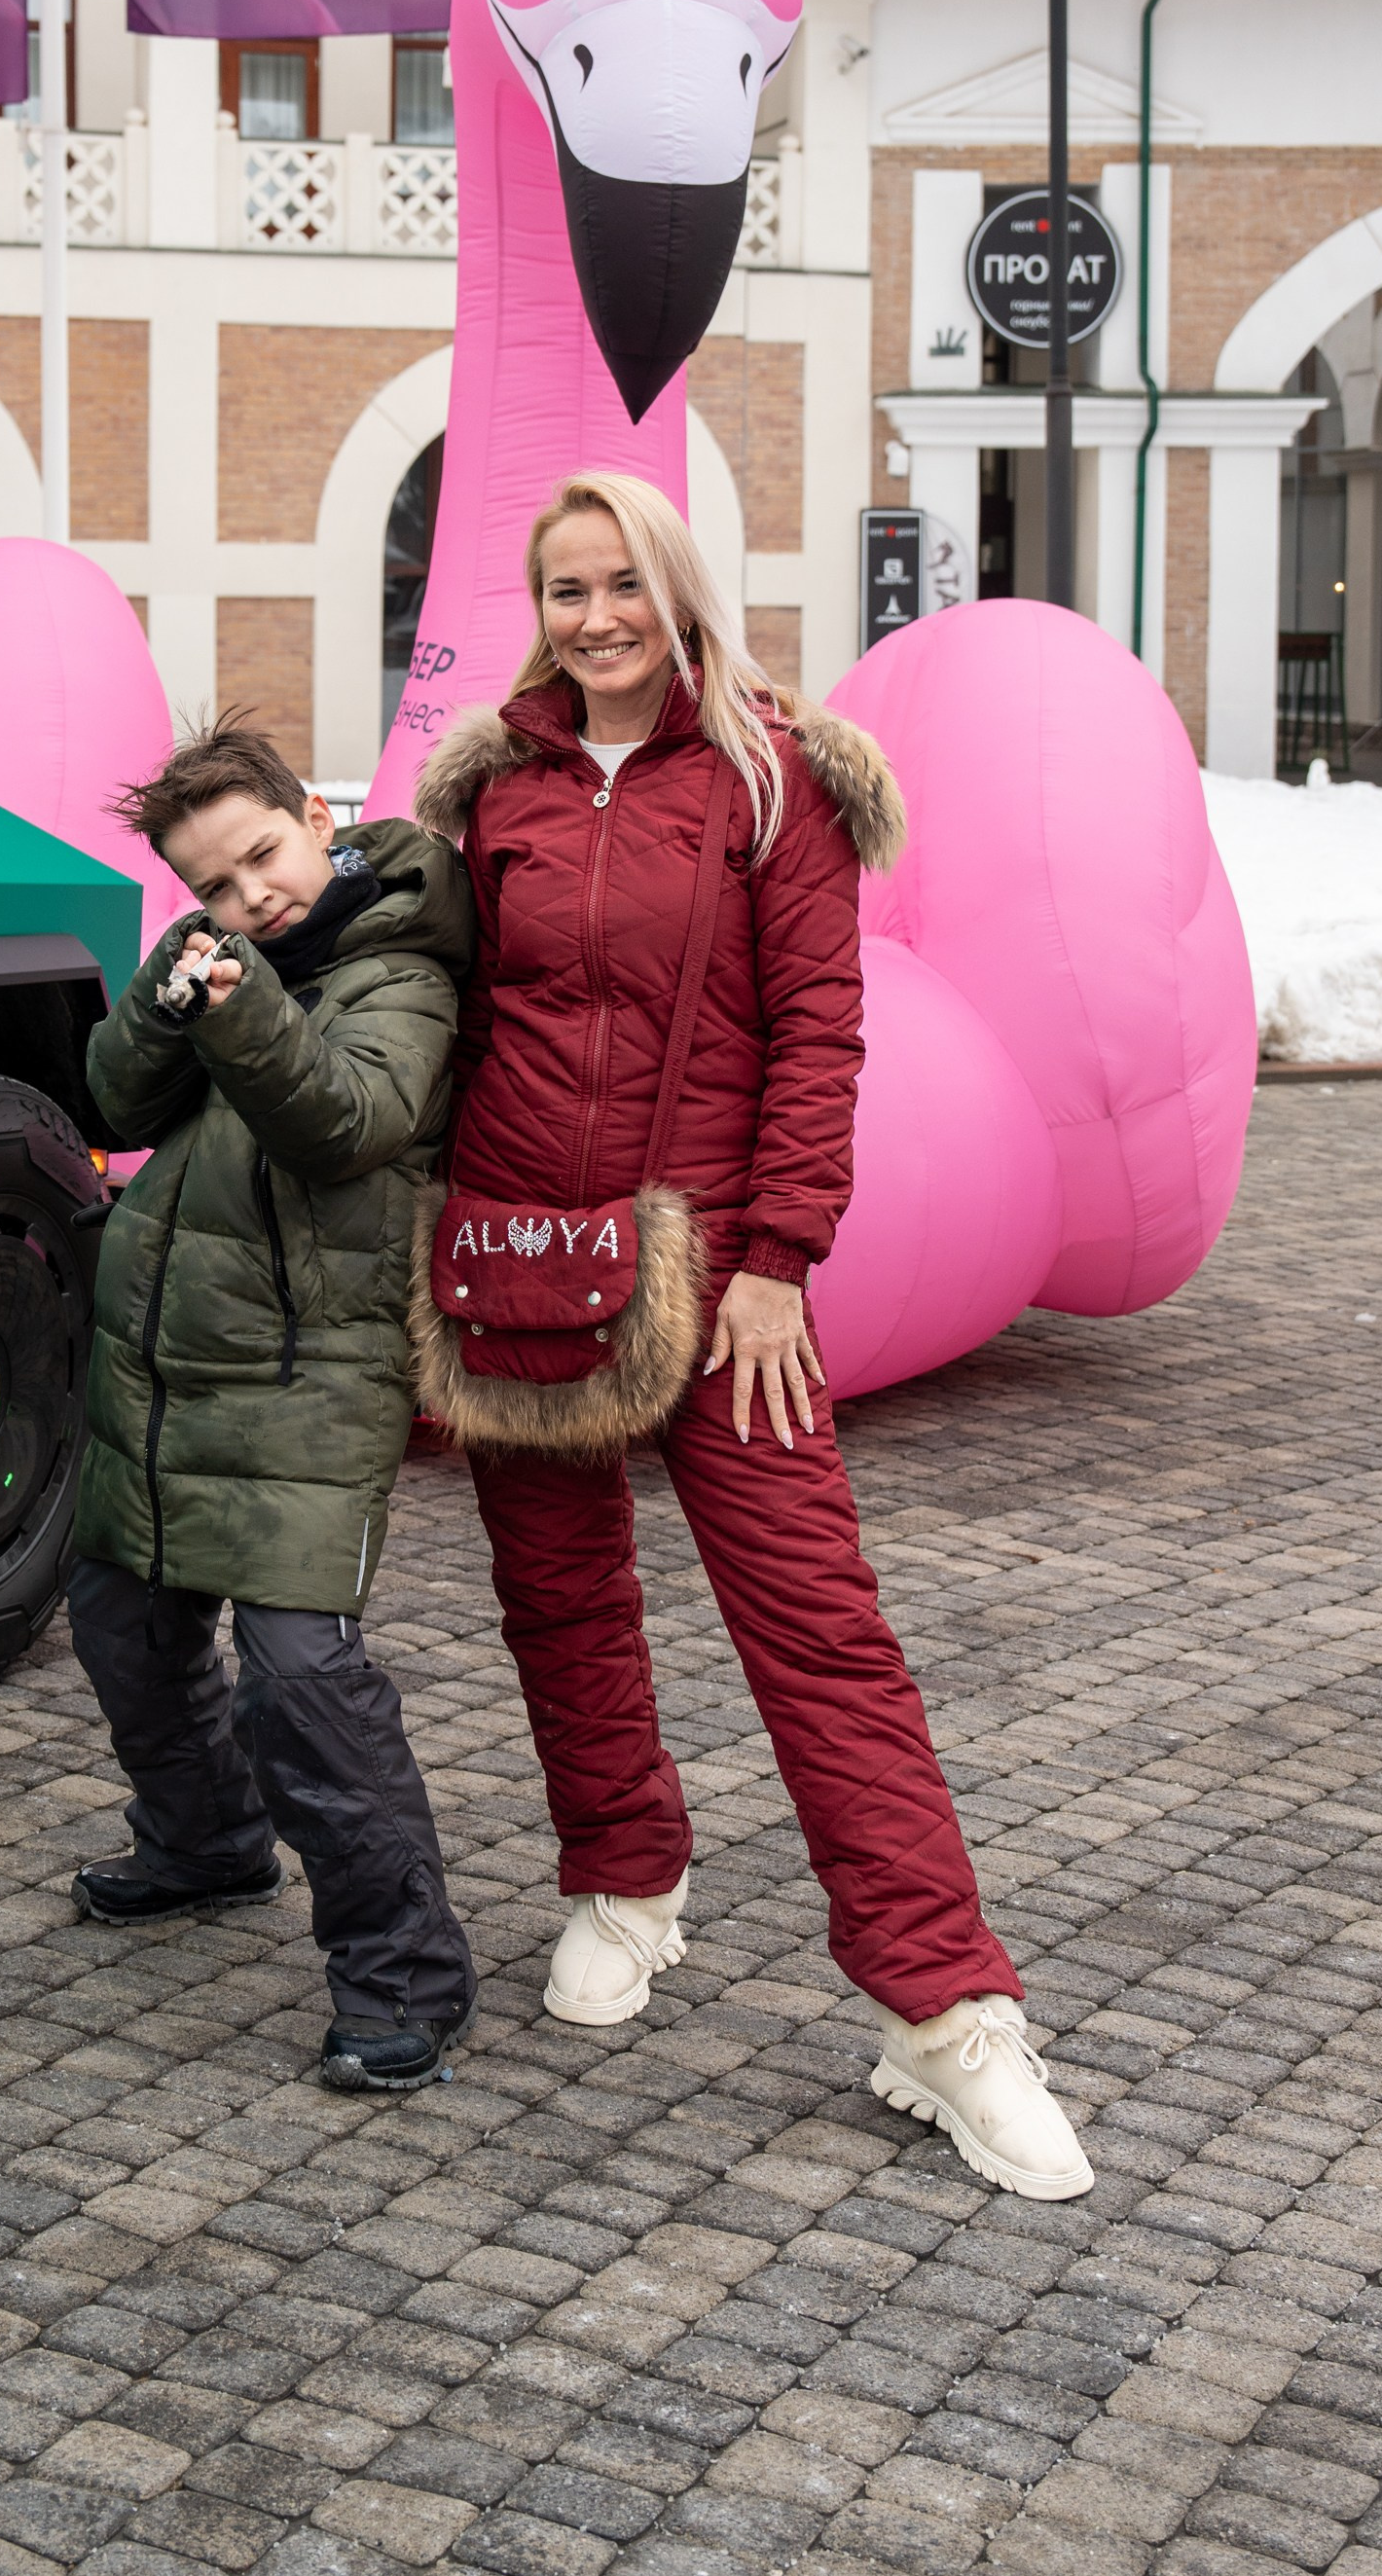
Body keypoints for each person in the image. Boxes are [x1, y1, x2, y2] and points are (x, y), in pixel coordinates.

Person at [413, 471, 1091, 2202]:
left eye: (618, 582)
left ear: (676, 587)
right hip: (515, 1250)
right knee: (555, 1598)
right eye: (562, 590)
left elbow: (820, 1035)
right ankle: (622, 1882)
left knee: (818, 1628)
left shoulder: (774, 781)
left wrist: (778, 1258)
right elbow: (441, 1013)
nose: (593, 618)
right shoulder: (489, 790)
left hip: (718, 1275)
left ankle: (943, 2014)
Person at [69, 714, 477, 2094]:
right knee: (124, 1623)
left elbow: (346, 1122)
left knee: (305, 1683)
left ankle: (403, 1975)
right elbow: (116, 1100)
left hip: (307, 1380)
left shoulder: (401, 967)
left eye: (262, 855)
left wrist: (234, 1001)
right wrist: (165, 1001)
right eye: (217, 886)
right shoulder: (228, 959)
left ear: (314, 813)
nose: (253, 896)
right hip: (161, 1370)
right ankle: (201, 1844)